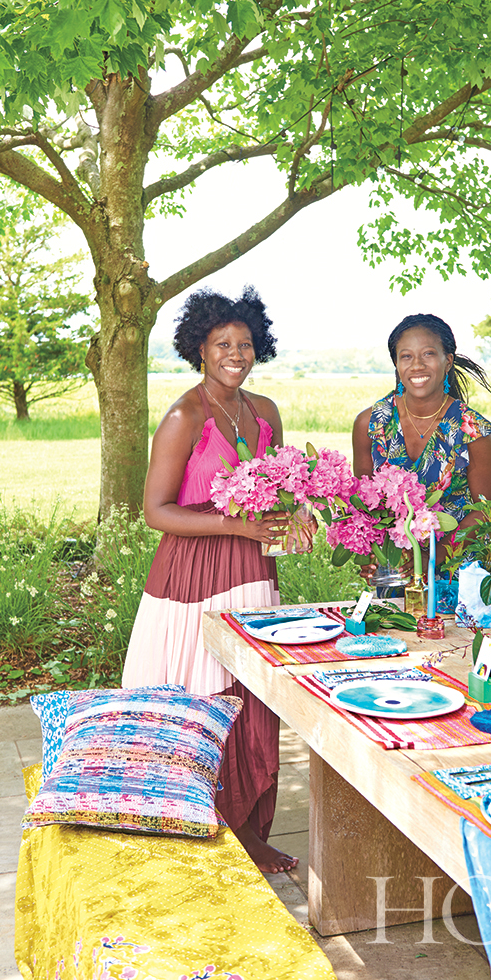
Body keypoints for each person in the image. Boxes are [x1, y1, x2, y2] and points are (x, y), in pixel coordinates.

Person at [122, 286, 298, 874]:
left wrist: (290, 516)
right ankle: (188, 827)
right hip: (192, 576)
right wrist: (236, 526)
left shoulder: (266, 411)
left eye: (246, 343)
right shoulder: (184, 415)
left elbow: (277, 490)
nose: (236, 353)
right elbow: (156, 511)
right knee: (200, 698)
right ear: (200, 347)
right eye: (223, 343)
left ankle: (248, 832)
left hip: (253, 571)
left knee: (249, 703)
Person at [352, 313, 491, 572]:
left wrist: (433, 558)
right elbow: (364, 506)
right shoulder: (371, 424)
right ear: (397, 365)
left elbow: (488, 512)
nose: (417, 365)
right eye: (406, 356)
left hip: (459, 570)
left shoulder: (473, 430)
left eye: (428, 354)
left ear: (448, 362)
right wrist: (373, 559)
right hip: (396, 570)